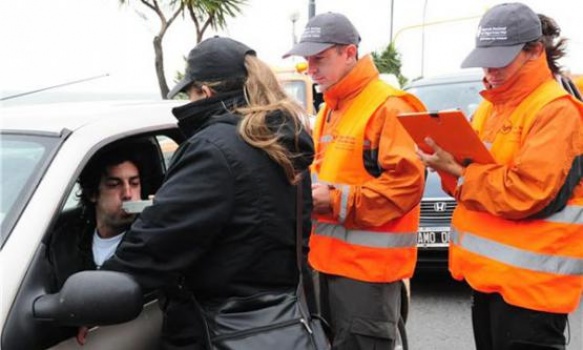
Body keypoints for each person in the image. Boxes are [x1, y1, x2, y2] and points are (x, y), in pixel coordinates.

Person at [101, 36, 315, 350]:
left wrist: (100, 293)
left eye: (189, 94)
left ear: (205, 92)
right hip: (280, 321)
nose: (189, 102)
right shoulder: (282, 143)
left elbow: (157, 240)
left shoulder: (214, 150)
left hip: (215, 330)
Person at [416, 3, 583, 350]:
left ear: (535, 51)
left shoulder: (555, 110)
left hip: (532, 293)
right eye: (486, 59)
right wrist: (445, 166)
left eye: (500, 59)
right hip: (489, 281)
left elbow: (528, 193)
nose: (489, 69)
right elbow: (473, 179)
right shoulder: (493, 105)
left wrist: (459, 174)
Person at [284, 12, 426, 350]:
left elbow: (406, 187)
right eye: (307, 60)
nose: (311, 68)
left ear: (349, 53)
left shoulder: (389, 106)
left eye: (319, 59)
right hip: (326, 263)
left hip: (368, 274)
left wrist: (330, 200)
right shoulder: (333, 107)